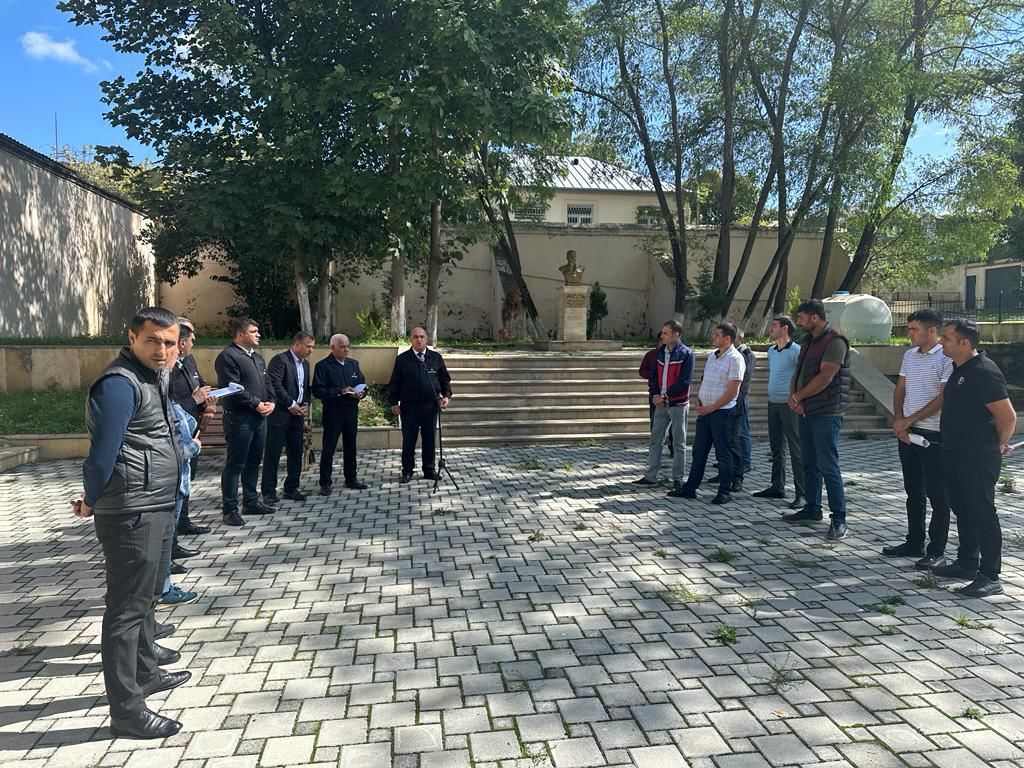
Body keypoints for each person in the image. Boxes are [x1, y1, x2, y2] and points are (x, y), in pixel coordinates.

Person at [72, 307, 191, 739]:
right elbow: (102, 452)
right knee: (125, 610)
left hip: (154, 501)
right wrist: (91, 499)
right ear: (132, 337)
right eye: (152, 340)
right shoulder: (119, 384)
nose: (162, 350)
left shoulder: (151, 377)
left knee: (143, 599)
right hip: (131, 510)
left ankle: (146, 672)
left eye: (169, 342)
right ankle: (126, 711)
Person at [931, 318, 1016, 598]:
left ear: (964, 343)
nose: (941, 342)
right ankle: (967, 563)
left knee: (982, 512)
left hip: (978, 455)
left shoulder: (984, 372)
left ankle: (990, 575)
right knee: (963, 509)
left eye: (946, 338)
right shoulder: (959, 369)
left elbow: (1007, 417)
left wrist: (997, 444)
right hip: (954, 452)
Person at [882, 308, 952, 569]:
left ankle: (937, 550)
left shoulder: (946, 357)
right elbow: (900, 388)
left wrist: (909, 420)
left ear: (931, 330)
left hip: (933, 434)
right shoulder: (909, 355)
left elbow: (943, 397)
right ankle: (914, 542)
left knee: (937, 493)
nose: (909, 334)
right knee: (913, 490)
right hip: (908, 433)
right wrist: (899, 419)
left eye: (914, 329)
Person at [783, 299, 850, 541]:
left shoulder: (835, 341)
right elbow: (798, 371)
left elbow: (826, 377)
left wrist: (799, 396)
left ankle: (839, 518)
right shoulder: (808, 340)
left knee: (828, 466)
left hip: (826, 412)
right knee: (809, 462)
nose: (798, 322)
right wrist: (794, 397)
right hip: (807, 410)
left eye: (801, 317)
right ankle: (812, 508)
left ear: (814, 317)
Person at [671, 323, 745, 504]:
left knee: (723, 452)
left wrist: (712, 407)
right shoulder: (712, 355)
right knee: (699, 451)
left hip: (722, 413)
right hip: (706, 412)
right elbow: (707, 380)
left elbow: (733, 391)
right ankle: (690, 488)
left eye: (717, 335)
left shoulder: (736, 358)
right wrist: (700, 398)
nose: (713, 337)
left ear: (727, 339)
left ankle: (724, 491)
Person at [215, 317, 275, 526]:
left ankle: (250, 501)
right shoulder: (228, 356)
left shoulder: (257, 357)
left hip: (260, 417)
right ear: (240, 334)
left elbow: (267, 382)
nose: (258, 334)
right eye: (253, 331)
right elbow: (232, 388)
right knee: (236, 463)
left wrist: (272, 401)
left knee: (254, 461)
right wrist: (256, 403)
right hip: (239, 418)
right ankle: (229, 509)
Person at [158, 336, 201, 608]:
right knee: (160, 539)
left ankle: (161, 585)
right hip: (163, 478)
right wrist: (193, 446)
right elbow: (180, 440)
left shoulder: (171, 379)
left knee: (165, 535)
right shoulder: (156, 391)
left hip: (171, 478)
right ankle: (161, 589)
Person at [168, 318, 215, 536]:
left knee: (188, 477)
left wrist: (208, 405)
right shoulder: (166, 369)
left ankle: (183, 521)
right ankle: (172, 531)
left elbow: (200, 385)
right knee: (176, 483)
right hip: (176, 433)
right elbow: (169, 406)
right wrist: (194, 400)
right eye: (192, 339)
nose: (194, 343)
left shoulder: (188, 360)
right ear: (182, 342)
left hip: (193, 429)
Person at [634, 320, 693, 490]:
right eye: (662, 332)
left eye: (666, 333)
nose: (662, 336)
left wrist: (665, 396)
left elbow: (684, 382)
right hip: (660, 403)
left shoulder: (686, 354)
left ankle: (678, 479)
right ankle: (651, 476)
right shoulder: (661, 352)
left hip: (678, 404)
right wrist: (655, 394)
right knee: (656, 440)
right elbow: (654, 376)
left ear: (676, 334)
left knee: (679, 443)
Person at [753, 315, 805, 509]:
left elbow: (802, 376)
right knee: (776, 447)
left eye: (774, 326)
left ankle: (802, 493)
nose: (770, 329)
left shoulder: (796, 350)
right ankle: (777, 486)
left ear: (785, 328)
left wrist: (797, 399)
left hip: (789, 405)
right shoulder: (771, 351)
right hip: (773, 403)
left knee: (795, 449)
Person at [388, 327, 452, 483]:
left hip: (430, 406)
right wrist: (393, 402)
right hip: (409, 407)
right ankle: (407, 471)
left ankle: (429, 470)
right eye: (415, 337)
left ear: (426, 339)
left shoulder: (435, 358)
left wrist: (446, 396)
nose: (419, 340)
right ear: (410, 339)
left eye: (422, 337)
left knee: (429, 439)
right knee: (409, 440)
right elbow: (395, 383)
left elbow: (444, 379)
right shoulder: (402, 359)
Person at [312, 333, 369, 494]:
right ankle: (325, 483)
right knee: (329, 447)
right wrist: (340, 391)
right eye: (342, 347)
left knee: (350, 446)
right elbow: (317, 390)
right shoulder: (323, 366)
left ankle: (351, 479)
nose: (346, 349)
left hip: (351, 410)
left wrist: (361, 393)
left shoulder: (353, 364)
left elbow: (362, 384)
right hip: (333, 411)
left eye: (348, 346)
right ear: (332, 348)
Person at [261, 332, 315, 502]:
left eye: (312, 347)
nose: (311, 350)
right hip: (280, 415)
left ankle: (291, 488)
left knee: (296, 452)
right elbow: (275, 385)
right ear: (297, 344)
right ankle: (269, 491)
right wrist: (291, 404)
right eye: (308, 346)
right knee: (273, 453)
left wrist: (305, 403)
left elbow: (304, 387)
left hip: (297, 415)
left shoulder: (305, 364)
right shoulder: (280, 360)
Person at [708, 329, 755, 491]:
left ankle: (738, 475)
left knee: (734, 440)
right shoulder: (716, 355)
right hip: (720, 403)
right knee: (720, 441)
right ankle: (724, 472)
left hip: (735, 403)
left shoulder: (744, 355)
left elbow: (744, 381)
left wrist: (733, 396)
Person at [638, 345, 673, 458]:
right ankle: (655, 450)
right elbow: (642, 371)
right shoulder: (651, 355)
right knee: (655, 421)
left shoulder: (677, 355)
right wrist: (653, 374)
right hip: (655, 392)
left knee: (673, 424)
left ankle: (672, 448)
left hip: (673, 394)